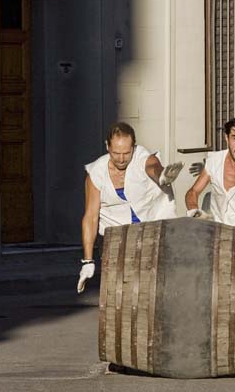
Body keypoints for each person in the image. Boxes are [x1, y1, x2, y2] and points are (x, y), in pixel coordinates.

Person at [79, 122, 184, 292]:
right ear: (107, 146)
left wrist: (162, 176)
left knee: (153, 287)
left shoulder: (142, 157)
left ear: (133, 148)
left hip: (150, 231)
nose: (121, 158)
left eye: (127, 153)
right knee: (119, 291)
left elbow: (153, 167)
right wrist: (88, 260)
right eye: (116, 153)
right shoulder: (96, 172)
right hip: (114, 237)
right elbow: (91, 216)